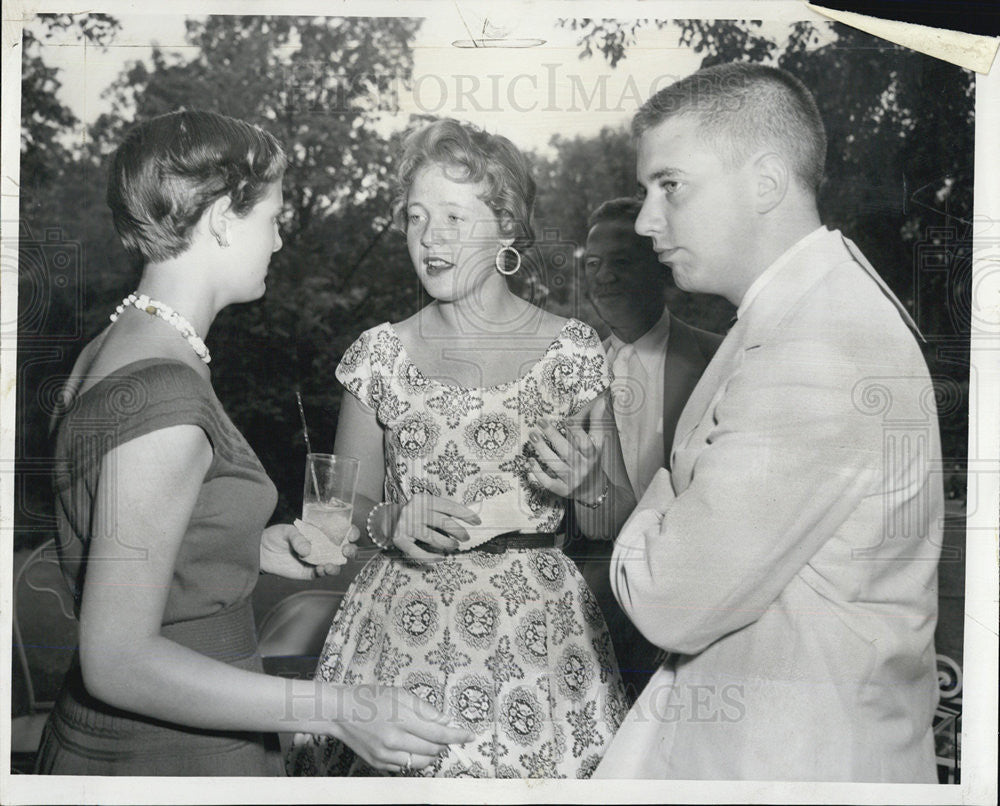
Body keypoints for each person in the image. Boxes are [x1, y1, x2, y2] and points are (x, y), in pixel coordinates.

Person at [34, 109, 474, 776]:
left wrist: (246, 544)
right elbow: (118, 661)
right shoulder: (164, 394)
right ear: (219, 219)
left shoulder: (116, 347)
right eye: (271, 219)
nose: (276, 243)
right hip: (166, 757)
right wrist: (340, 708)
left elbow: (122, 533)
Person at [594, 63, 943, 782]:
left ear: (764, 182)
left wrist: (660, 493)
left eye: (670, 187)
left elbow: (670, 599)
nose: (644, 221)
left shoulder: (817, 341)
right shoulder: (799, 311)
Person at [288, 118, 630, 779]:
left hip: (539, 641)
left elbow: (617, 522)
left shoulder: (575, 353)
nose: (429, 238)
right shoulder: (378, 356)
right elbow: (344, 505)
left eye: (452, 216)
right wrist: (385, 519)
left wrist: (590, 488)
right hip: (398, 636)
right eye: (416, 218)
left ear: (505, 226)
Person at [576, 197, 721, 703]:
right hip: (584, 613)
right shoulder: (564, 367)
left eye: (621, 262)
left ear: (658, 266)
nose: (604, 277)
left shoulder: (718, 359)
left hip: (688, 614)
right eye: (593, 265)